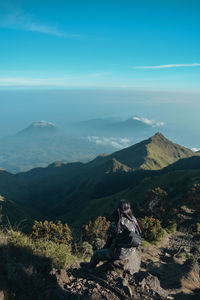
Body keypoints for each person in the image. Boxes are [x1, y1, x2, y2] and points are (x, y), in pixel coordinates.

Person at [81, 199, 142, 268]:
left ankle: (90, 266)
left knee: (96, 254)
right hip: (131, 251)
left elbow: (108, 243)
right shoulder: (133, 219)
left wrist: (102, 250)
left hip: (119, 254)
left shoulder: (116, 224)